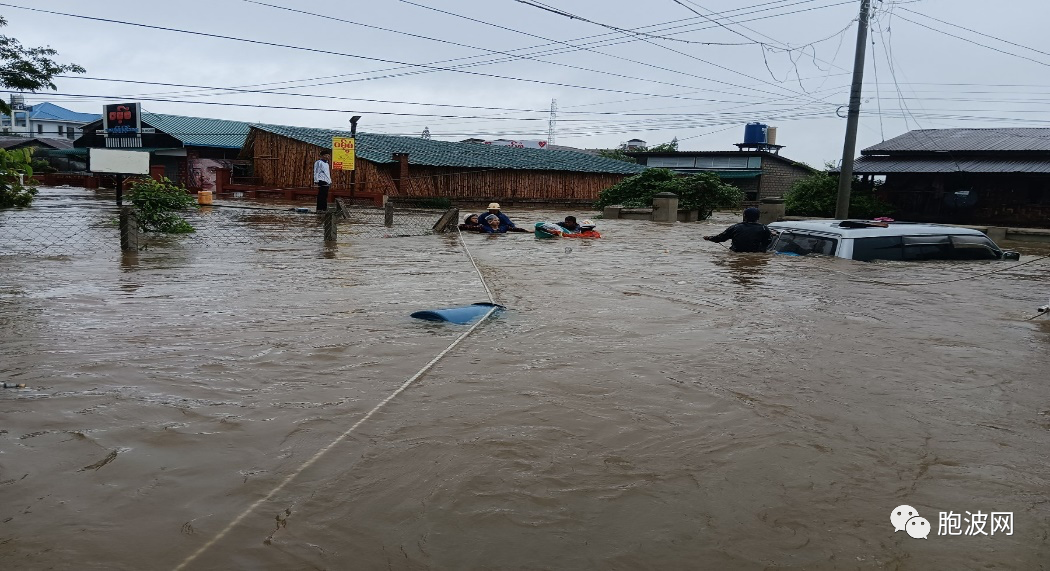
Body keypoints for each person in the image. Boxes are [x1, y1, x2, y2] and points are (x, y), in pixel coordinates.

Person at [703, 207, 772, 252]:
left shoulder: (735, 227)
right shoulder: (764, 228)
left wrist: (709, 238)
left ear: (744, 216)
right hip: (757, 254)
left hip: (736, 253)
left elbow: (721, 238)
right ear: (758, 217)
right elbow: (768, 241)